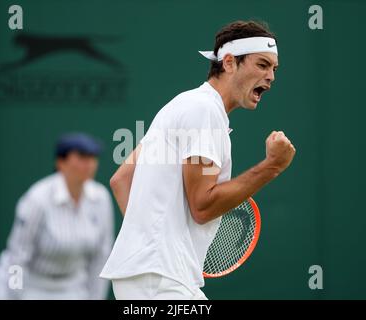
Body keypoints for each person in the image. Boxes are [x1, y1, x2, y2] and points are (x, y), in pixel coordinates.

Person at [100, 20, 296, 300]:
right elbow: (202, 207)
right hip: (161, 281)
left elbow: (121, 180)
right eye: (262, 65)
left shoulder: (184, 104)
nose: (271, 76)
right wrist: (272, 167)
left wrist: (153, 240)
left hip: (150, 275)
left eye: (274, 69)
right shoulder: (205, 111)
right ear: (229, 63)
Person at [0, 133, 114, 299]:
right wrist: (15, 296)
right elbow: (17, 258)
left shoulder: (101, 198)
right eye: (82, 157)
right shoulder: (37, 199)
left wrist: (95, 297)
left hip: (74, 288)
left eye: (93, 157)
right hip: (32, 287)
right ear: (61, 162)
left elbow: (101, 254)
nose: (90, 164)